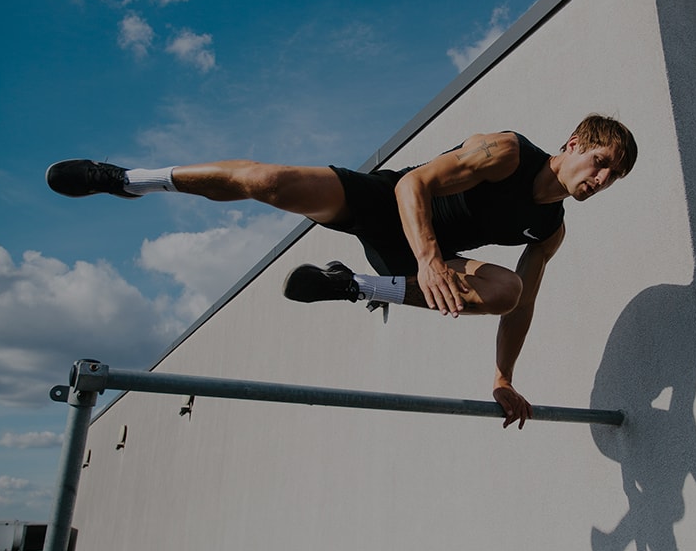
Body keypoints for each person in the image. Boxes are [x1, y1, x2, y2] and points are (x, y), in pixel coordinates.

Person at [46, 115, 637, 430]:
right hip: (390, 206)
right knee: (266, 181)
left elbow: (525, 305)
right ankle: (128, 179)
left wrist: (502, 378)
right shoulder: (508, 151)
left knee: (509, 291)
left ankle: (352, 285)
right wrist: (430, 258)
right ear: (575, 143)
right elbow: (415, 184)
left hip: (420, 263)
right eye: (602, 163)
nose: (603, 181)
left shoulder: (551, 227)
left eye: (614, 179)